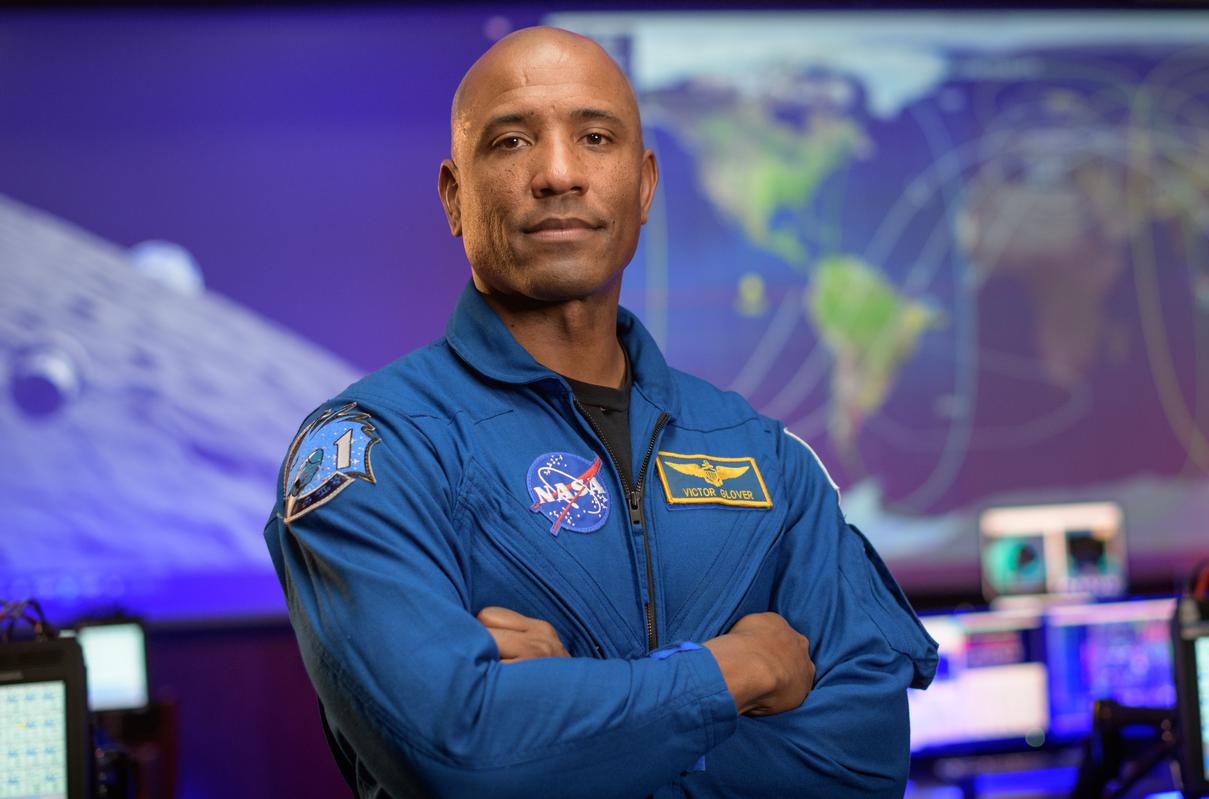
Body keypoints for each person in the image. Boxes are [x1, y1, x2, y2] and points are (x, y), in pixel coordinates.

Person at [264, 26, 937, 799]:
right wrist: (732, 673)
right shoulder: (376, 449)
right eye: (512, 141)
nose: (557, 173)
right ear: (455, 196)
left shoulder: (764, 455)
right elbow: (462, 757)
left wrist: (567, 728)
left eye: (594, 136)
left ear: (644, 185)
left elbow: (859, 764)